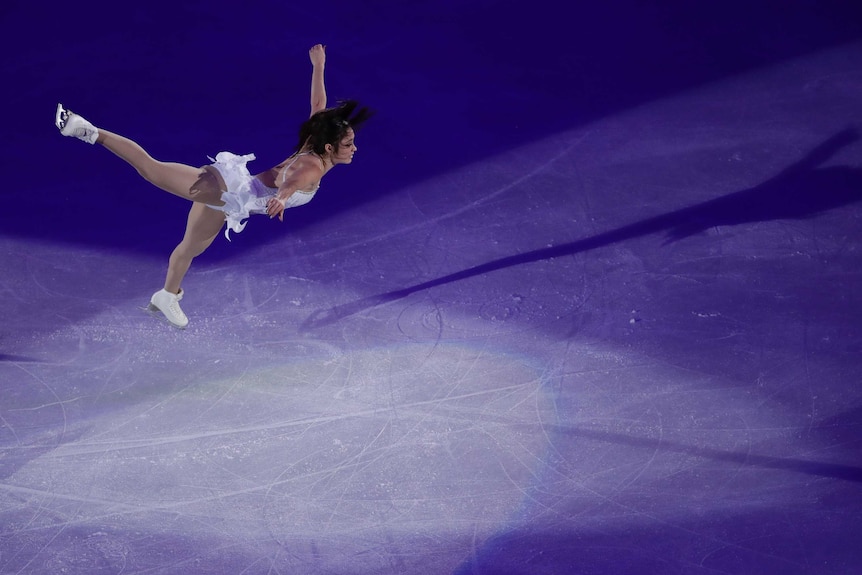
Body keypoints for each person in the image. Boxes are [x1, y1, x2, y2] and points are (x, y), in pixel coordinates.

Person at [55, 44, 372, 329]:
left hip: (228, 203)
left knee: (190, 249)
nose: (354, 148)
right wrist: (282, 199)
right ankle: (87, 130)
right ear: (329, 149)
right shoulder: (312, 167)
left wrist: (319, 65)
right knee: (152, 169)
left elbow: (319, 105)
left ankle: (167, 295)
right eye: (348, 144)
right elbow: (292, 180)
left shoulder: (315, 139)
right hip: (226, 188)